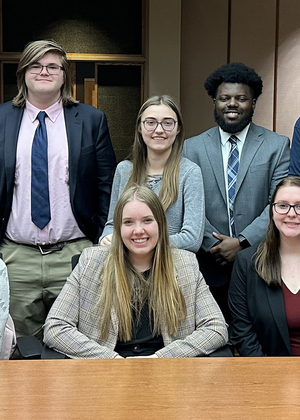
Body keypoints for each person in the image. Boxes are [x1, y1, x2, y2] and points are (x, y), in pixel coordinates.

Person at [0, 40, 116, 340]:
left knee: (80, 345)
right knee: (19, 349)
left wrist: (99, 240)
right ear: (23, 73)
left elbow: (107, 186)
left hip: (74, 254)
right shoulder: (1, 119)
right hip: (16, 258)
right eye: (36, 65)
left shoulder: (91, 120)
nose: (44, 72)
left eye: (53, 66)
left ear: (65, 75)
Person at [44, 185, 227, 358]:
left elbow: (216, 328)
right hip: (105, 371)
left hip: (168, 371)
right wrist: (111, 359)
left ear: (160, 225)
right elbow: (56, 327)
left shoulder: (186, 264)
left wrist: (161, 358)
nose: (138, 230)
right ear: (118, 228)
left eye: (147, 220)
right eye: (128, 222)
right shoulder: (91, 261)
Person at [182, 62, 290, 321]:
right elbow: (188, 203)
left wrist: (241, 242)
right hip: (208, 264)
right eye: (224, 98)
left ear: (253, 103)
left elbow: (279, 203)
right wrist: (216, 245)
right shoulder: (191, 148)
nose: (232, 104)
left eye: (241, 99)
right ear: (214, 101)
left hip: (260, 261)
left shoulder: (276, 146)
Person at [100, 95, 204, 253]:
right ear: (140, 128)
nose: (159, 130)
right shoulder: (124, 170)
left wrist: (138, 241)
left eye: (168, 123)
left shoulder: (189, 172)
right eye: (150, 122)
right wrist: (106, 238)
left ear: (178, 128)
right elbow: (112, 225)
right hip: (126, 268)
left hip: (169, 268)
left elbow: (192, 239)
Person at [229, 176, 300, 356]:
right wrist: (268, 374)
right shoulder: (246, 262)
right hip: (269, 374)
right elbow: (242, 330)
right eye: (283, 205)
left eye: (299, 205)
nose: (291, 213)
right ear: (272, 211)